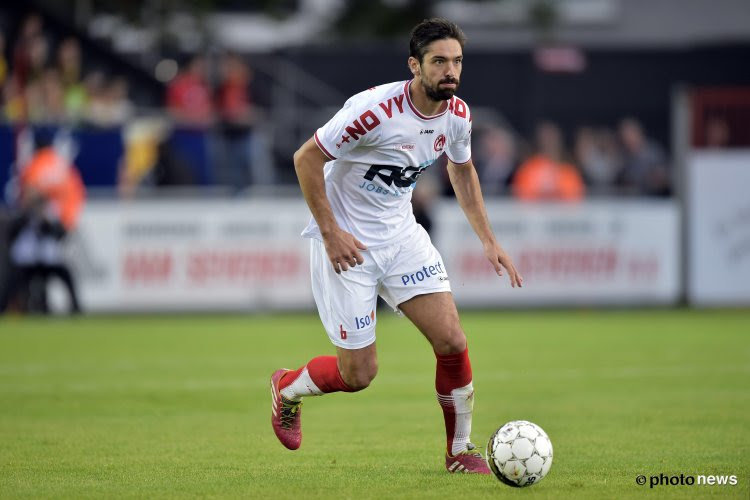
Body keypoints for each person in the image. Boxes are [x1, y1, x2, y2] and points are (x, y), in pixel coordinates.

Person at [269, 18, 523, 475]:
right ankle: (288, 387)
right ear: (415, 65)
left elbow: (461, 170)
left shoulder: (458, 115)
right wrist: (330, 232)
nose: (451, 71)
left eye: (457, 61)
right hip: (348, 245)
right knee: (358, 375)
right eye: (440, 61)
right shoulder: (373, 111)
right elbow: (305, 158)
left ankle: (459, 451)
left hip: (403, 239)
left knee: (452, 340)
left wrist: (489, 239)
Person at [512, 121, 585, 201]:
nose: (548, 142)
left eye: (551, 137)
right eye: (545, 138)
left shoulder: (569, 171)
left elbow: (575, 198)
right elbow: (520, 197)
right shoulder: (527, 169)